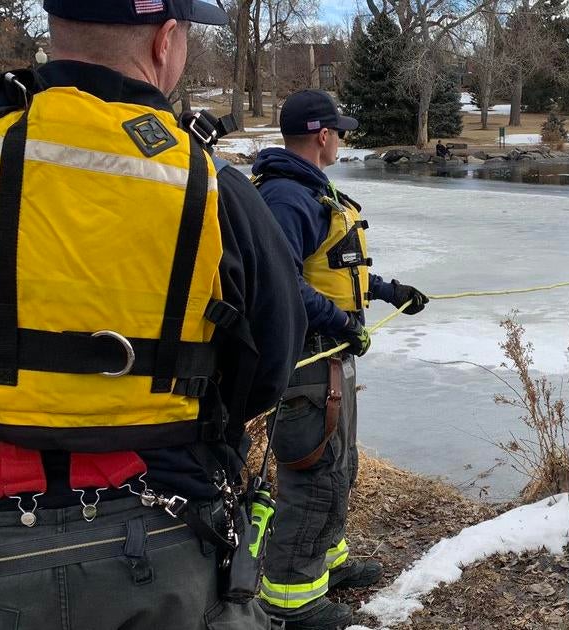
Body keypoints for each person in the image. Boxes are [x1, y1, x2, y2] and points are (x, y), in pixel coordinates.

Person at [0, 1, 307, 628]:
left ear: (57, 27)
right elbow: (271, 361)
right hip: (168, 540)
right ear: (166, 41)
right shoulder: (214, 183)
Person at [250, 90, 429, 630]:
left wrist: (387, 290)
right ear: (323, 135)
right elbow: (279, 283)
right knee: (313, 472)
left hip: (328, 357)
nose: (343, 140)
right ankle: (291, 600)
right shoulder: (287, 198)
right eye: (340, 131)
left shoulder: (309, 193)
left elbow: (330, 268)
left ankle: (326, 562)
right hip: (305, 360)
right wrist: (339, 323)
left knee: (339, 465)